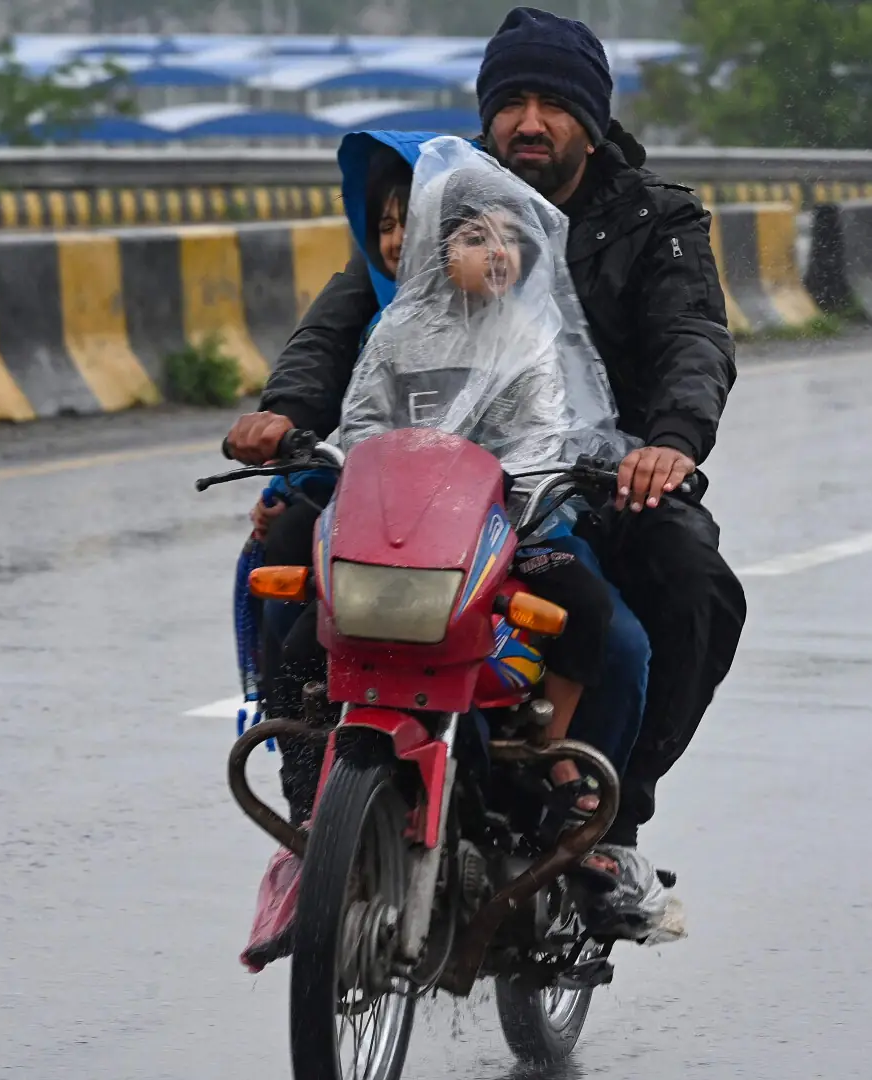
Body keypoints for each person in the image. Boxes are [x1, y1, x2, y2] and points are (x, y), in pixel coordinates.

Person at [226, 7, 747, 939]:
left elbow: (692, 341)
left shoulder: (653, 218)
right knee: (279, 550)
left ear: (591, 119)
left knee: (691, 587)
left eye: (553, 104)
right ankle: (312, 816)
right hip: (426, 481)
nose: (530, 123)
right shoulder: (438, 192)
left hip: (587, 481)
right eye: (512, 103)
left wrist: (667, 441)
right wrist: (289, 415)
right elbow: (344, 322)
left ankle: (610, 823)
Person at [239, 135, 651, 972]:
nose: (493, 253)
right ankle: (311, 824)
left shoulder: (531, 339)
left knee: (596, 617)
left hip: (510, 535)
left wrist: (559, 477)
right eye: (470, 237)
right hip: (404, 541)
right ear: (434, 246)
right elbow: (360, 431)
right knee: (293, 645)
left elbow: (545, 433)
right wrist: (310, 464)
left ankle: (557, 771)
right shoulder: (396, 335)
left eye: (508, 240)